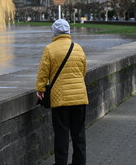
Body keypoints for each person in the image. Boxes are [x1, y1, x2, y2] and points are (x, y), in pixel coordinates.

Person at [36, 19, 88, 165]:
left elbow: (43, 72)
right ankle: (80, 162)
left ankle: (61, 163)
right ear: (69, 31)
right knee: (79, 134)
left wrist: (40, 89)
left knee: (62, 134)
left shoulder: (50, 49)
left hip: (60, 99)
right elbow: (83, 71)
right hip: (79, 97)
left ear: (54, 32)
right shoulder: (78, 48)